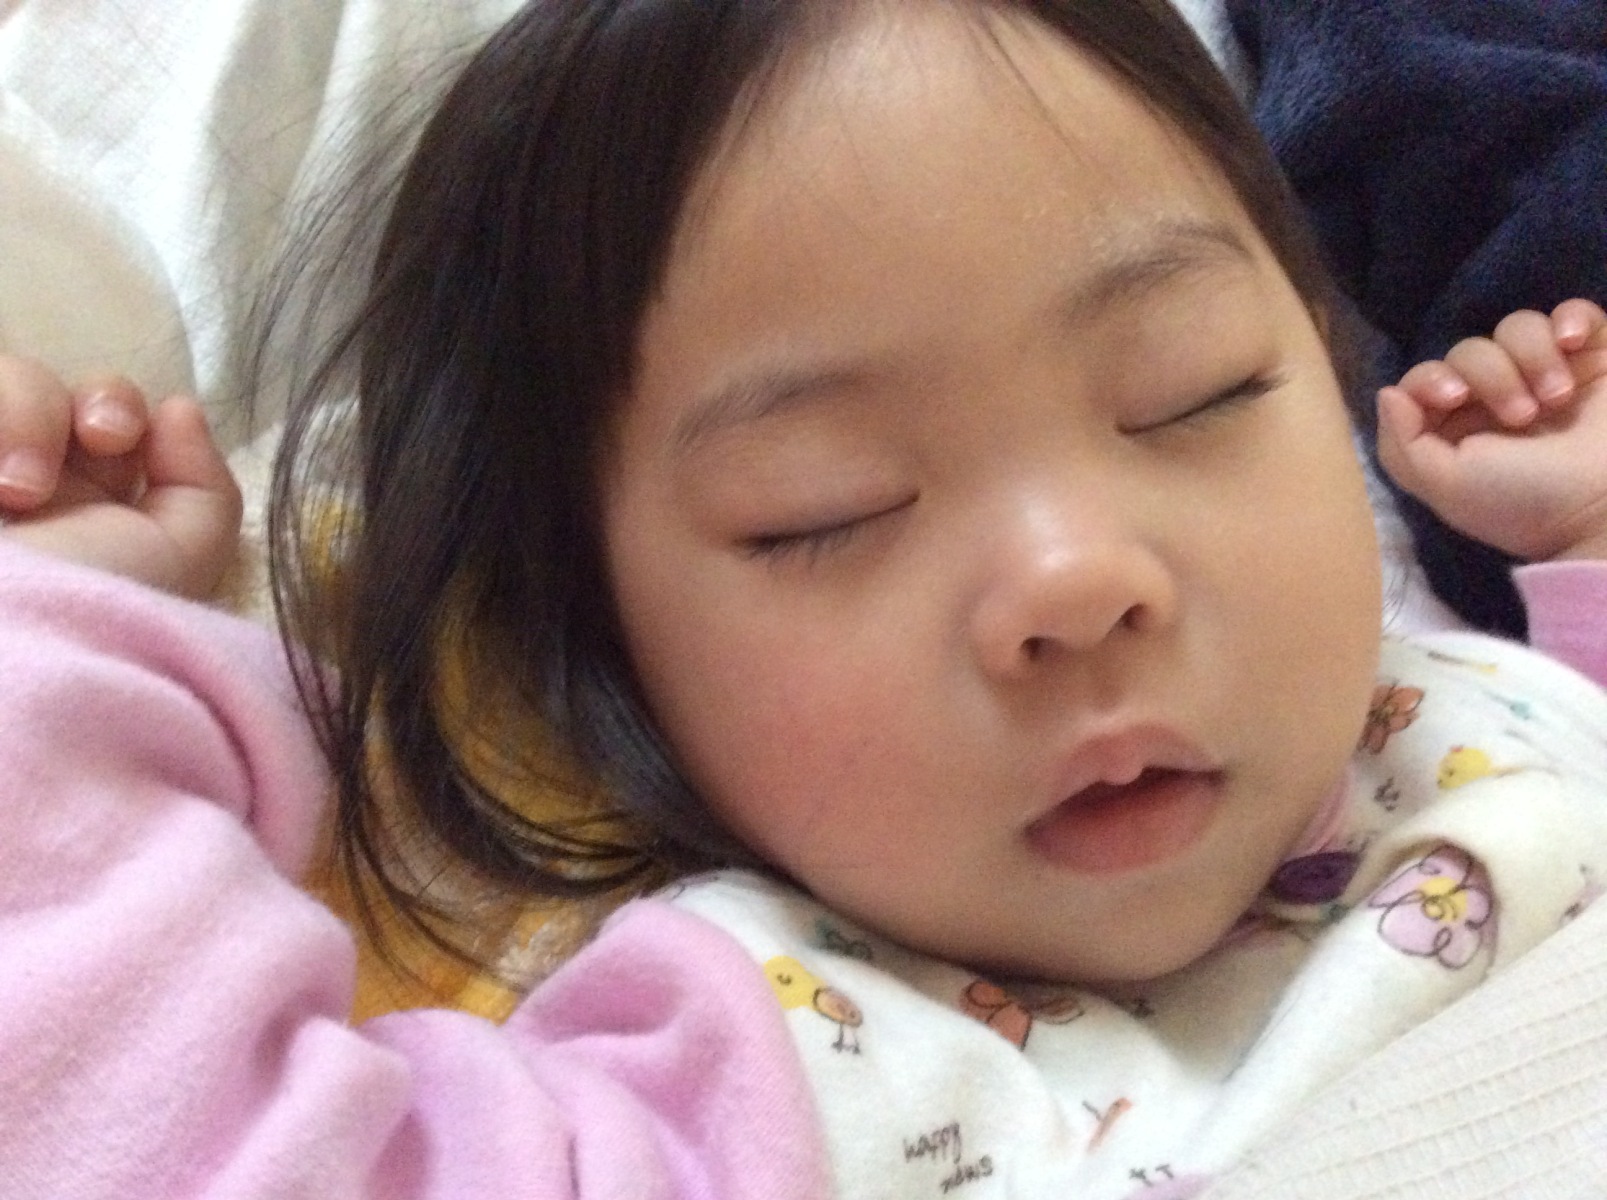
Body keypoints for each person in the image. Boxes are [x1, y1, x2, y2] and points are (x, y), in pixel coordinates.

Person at [1, 0, 1606, 1195]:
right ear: (600, 653)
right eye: (825, 512)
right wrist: (58, 667)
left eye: (1190, 394)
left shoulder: (1475, 722)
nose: (1075, 579)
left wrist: (1588, 546)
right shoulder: (781, 1070)